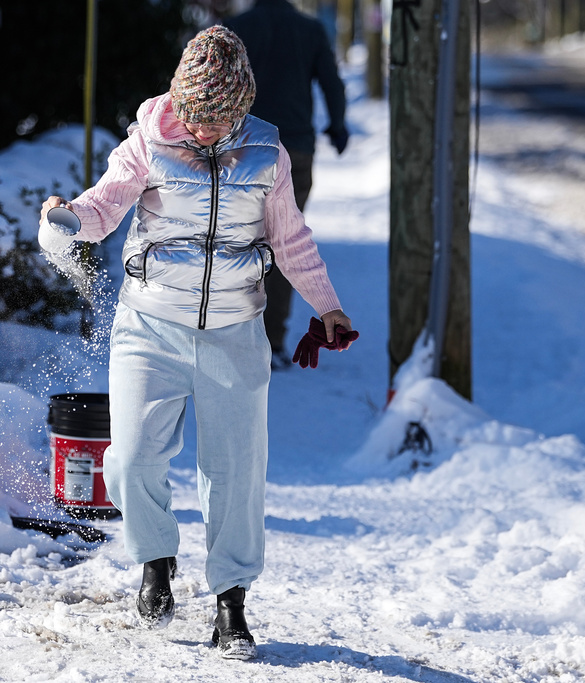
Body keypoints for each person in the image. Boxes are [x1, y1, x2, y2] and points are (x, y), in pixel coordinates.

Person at [37, 25, 354, 660]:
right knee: (127, 460)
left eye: (219, 120)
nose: (204, 131)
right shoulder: (149, 140)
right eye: (196, 117)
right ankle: (156, 560)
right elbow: (106, 205)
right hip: (149, 325)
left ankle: (231, 602)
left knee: (236, 472)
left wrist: (330, 308)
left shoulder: (267, 153)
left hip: (236, 330)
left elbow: (290, 240)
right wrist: (69, 219)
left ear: (241, 109)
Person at [225, 0, 350, 370]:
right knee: (284, 242)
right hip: (294, 149)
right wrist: (338, 124)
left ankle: (230, 333)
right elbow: (332, 83)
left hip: (239, 149)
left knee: (233, 238)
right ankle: (271, 339)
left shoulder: (237, 28)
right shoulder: (310, 31)